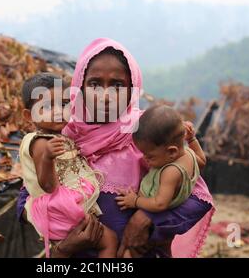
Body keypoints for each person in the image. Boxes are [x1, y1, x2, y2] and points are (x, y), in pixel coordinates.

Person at [17, 38, 215, 258]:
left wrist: (148, 217)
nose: (105, 96)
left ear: (133, 89)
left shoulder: (150, 133)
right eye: (94, 84)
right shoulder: (61, 136)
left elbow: (198, 198)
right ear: (79, 87)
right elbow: (28, 196)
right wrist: (65, 245)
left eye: (117, 85)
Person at [19, 73, 117, 258]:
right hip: (63, 208)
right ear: (27, 115)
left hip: (66, 207)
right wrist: (47, 158)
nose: (58, 111)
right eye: (47, 106)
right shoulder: (41, 143)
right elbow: (48, 186)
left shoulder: (60, 136)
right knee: (109, 241)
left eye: (64, 104)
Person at [115, 105, 209, 257]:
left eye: (149, 156)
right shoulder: (189, 155)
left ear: (171, 152)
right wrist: (192, 140)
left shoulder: (170, 172)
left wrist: (135, 201)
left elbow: (160, 203)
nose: (145, 159)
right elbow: (203, 161)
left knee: (129, 252)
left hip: (157, 217)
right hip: (162, 219)